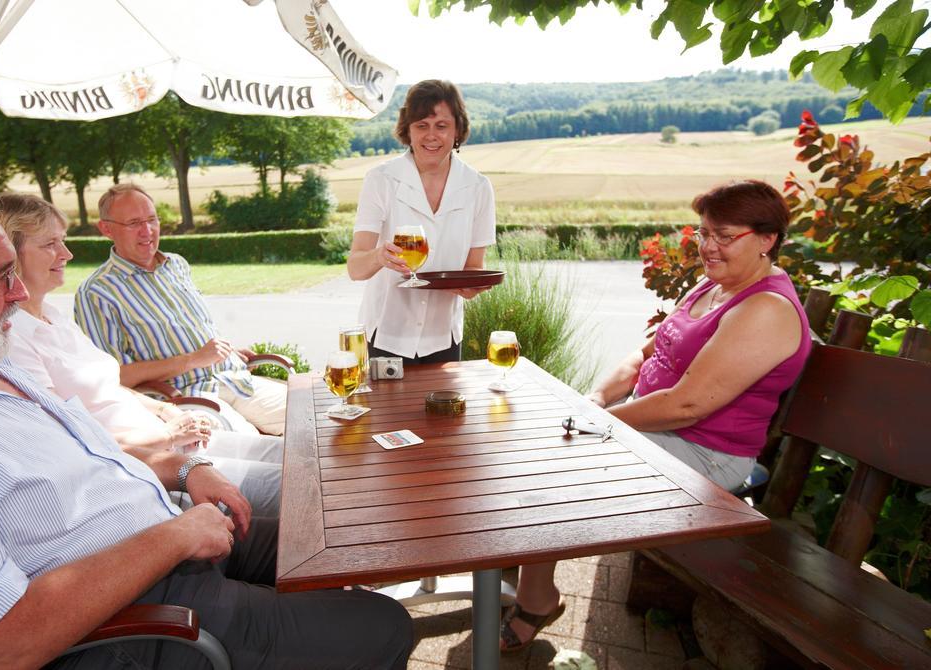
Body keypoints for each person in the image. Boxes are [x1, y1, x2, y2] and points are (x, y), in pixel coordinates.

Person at [0, 181, 413, 669]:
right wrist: (173, 537)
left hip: (168, 538)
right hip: (134, 611)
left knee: (333, 545)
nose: (17, 292)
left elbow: (92, 452)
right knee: (384, 624)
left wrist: (187, 467)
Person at [500, 180, 812, 653]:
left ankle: (535, 594)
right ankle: (524, 560)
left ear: (767, 239)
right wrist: (594, 398)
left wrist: (599, 423)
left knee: (553, 464)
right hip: (655, 430)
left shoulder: (766, 309)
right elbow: (643, 357)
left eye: (724, 236)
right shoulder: (710, 286)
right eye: (704, 233)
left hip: (707, 454)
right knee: (528, 442)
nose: (708, 246)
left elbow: (689, 404)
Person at [0, 192, 282, 472]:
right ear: (8, 254)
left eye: (152, 220)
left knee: (295, 453)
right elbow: (66, 437)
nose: (67, 253)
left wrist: (167, 413)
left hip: (177, 425)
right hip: (150, 461)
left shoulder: (56, 319)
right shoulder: (14, 338)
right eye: (50, 244)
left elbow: (110, 386)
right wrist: (167, 433)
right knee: (294, 480)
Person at [74, 183, 286, 435]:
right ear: (106, 229)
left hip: (234, 379)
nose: (147, 230)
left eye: (152, 219)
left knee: (314, 415)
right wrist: (193, 359)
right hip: (185, 398)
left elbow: (184, 331)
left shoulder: (176, 265)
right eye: (134, 223)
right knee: (261, 450)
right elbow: (113, 378)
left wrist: (224, 352)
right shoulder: (96, 292)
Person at [347, 79, 496, 364]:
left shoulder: (478, 187)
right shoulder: (381, 180)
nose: (431, 136)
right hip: (385, 336)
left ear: (457, 131)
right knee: (389, 411)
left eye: (441, 126)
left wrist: (470, 288)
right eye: (421, 125)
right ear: (408, 130)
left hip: (444, 339)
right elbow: (356, 268)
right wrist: (380, 256)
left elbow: (473, 268)